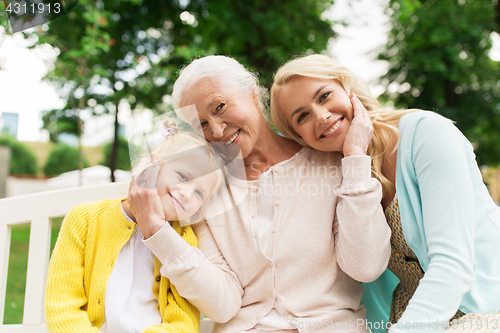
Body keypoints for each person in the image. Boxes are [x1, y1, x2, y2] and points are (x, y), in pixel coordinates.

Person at [128, 55, 391, 333]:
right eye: (202, 124)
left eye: (219, 106)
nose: (216, 129)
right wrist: (157, 231)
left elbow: (366, 267)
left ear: (253, 94)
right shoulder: (204, 191)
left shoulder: (334, 164)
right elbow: (222, 305)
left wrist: (355, 159)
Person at [270, 54, 500, 333]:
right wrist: (355, 156)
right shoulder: (338, 178)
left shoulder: (427, 134)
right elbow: (357, 268)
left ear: (348, 88)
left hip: (487, 304)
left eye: (324, 96)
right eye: (302, 116)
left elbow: (453, 261)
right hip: (416, 312)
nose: (321, 116)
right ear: (299, 136)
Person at [44, 119, 225, 333]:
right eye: (183, 176)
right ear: (151, 166)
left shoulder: (183, 241)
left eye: (199, 193)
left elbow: (183, 322)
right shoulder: (84, 220)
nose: (187, 193)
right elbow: (62, 305)